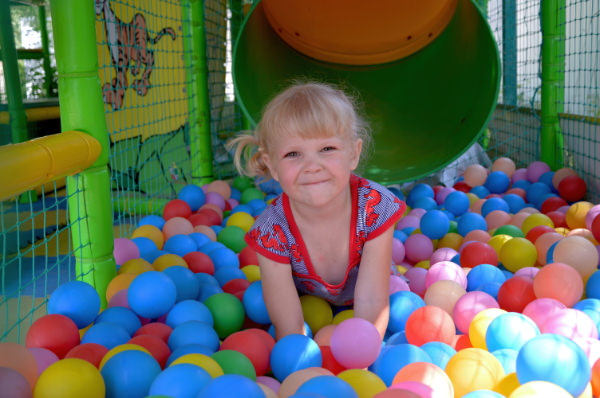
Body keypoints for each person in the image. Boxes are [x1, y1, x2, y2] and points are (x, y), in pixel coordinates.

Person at [228, 82, 406, 340]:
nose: (312, 165)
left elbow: (372, 299)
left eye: (327, 149)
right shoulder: (272, 231)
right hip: (311, 303)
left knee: (401, 298)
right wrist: (298, 359)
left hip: (373, 294)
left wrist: (362, 349)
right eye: (293, 154)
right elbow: (287, 321)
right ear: (272, 166)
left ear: (353, 154)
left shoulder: (374, 207)